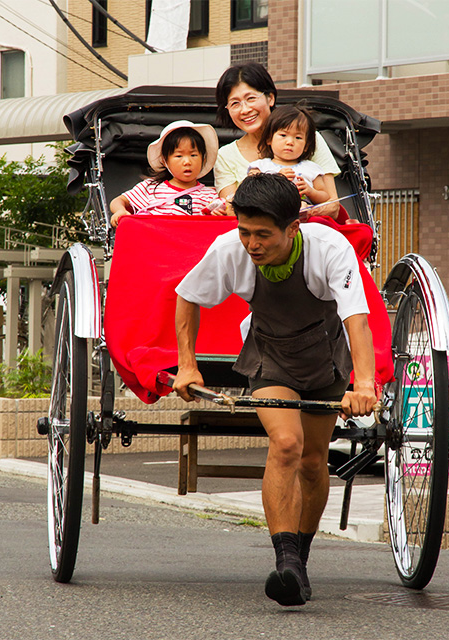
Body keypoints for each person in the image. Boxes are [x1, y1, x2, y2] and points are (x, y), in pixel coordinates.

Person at [173, 173, 376, 607]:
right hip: (271, 359)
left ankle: (299, 560)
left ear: (292, 228)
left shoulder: (329, 248)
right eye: (245, 232)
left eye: (263, 234)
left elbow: (356, 318)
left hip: (326, 359)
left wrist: (364, 383)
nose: (252, 243)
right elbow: (187, 295)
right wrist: (187, 365)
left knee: (314, 460)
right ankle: (285, 562)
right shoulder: (231, 249)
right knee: (287, 443)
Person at [214, 62, 341, 218]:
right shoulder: (225, 156)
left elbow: (333, 206)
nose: (245, 110)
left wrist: (306, 211)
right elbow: (232, 211)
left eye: (251, 98)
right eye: (235, 103)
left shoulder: (309, 138)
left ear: (271, 98)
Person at [110, 120, 223, 227]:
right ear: (165, 160)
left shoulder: (210, 196)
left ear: (203, 159)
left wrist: (220, 215)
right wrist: (120, 211)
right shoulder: (150, 187)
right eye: (179, 156)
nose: (187, 162)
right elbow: (118, 201)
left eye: (193, 155)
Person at [247, 104, 330, 211]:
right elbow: (249, 192)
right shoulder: (259, 166)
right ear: (269, 138)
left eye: (298, 137)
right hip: (269, 212)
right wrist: (275, 180)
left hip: (304, 213)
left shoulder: (311, 169)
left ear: (306, 145)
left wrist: (311, 192)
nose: (290, 142)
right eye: (283, 135)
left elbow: (325, 197)